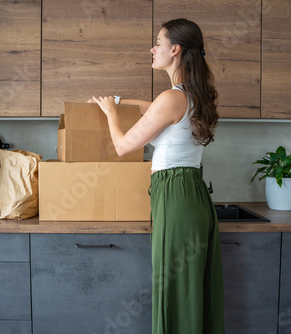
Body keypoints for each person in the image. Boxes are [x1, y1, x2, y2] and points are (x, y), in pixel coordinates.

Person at [89, 18, 225, 334]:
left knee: (175, 288)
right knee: (191, 288)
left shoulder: (173, 98)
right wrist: (117, 102)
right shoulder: (187, 96)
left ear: (175, 49)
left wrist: (110, 114)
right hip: (191, 195)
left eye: (158, 42)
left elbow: (123, 146)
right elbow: (148, 109)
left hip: (177, 199)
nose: (153, 48)